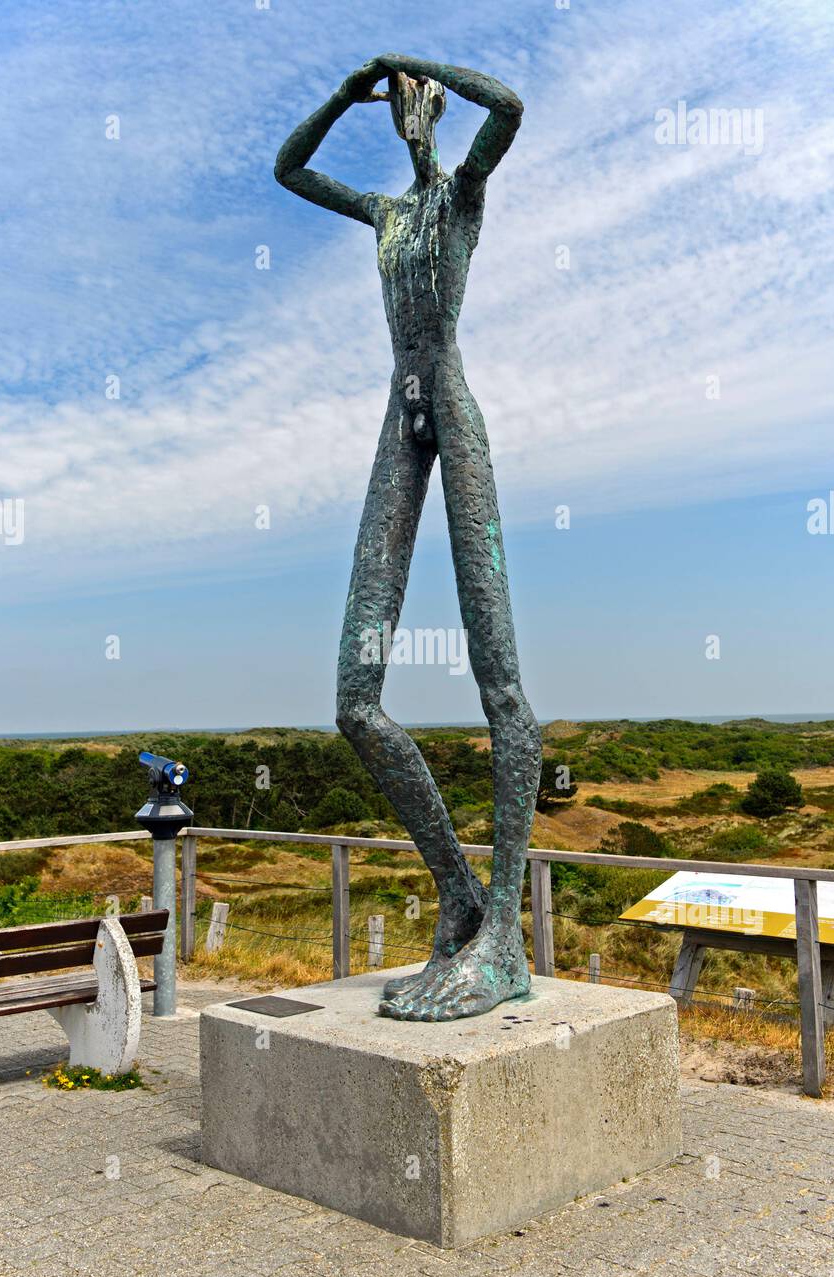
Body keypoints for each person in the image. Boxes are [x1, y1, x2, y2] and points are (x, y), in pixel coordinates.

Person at [275, 55, 542, 1021]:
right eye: (405, 112)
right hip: (401, 415)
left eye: (420, 109)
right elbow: (289, 171)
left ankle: (504, 937)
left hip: (452, 410)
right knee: (355, 698)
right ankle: (460, 894)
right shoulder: (386, 218)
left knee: (498, 676)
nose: (414, 121)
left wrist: (421, 68)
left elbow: (508, 107)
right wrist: (347, 94)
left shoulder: (463, 198)